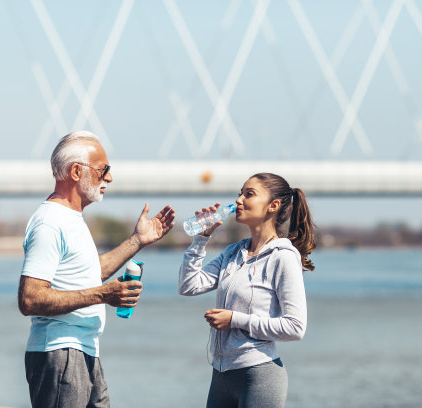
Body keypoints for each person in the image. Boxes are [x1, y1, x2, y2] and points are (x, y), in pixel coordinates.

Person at [18, 130, 175, 408]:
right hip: (60, 352)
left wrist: (138, 240)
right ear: (76, 171)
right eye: (104, 170)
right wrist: (103, 295)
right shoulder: (49, 223)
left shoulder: (71, 219)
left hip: (84, 349)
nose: (109, 178)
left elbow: (91, 271)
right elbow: (30, 299)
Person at [178, 172, 316, 408]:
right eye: (240, 193)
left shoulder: (282, 257)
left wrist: (235, 319)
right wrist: (201, 238)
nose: (239, 200)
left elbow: (295, 327)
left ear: (273, 206)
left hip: (259, 376)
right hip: (221, 375)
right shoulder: (233, 253)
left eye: (249, 194)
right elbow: (188, 286)